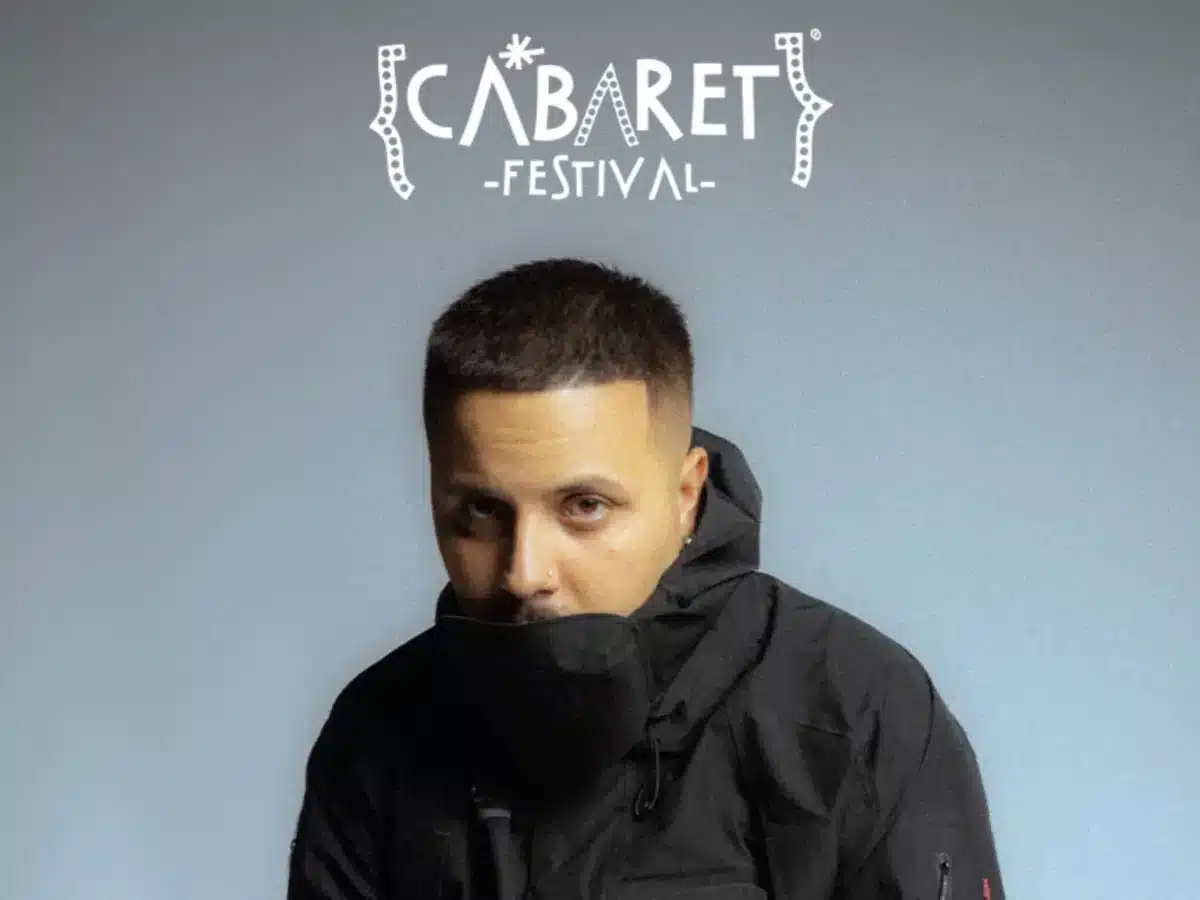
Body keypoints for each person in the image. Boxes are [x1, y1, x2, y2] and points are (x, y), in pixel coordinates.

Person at [286, 257, 1006, 900]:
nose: (524, 572)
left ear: (686, 494)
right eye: (480, 511)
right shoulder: (375, 731)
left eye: (584, 506)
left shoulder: (859, 711)